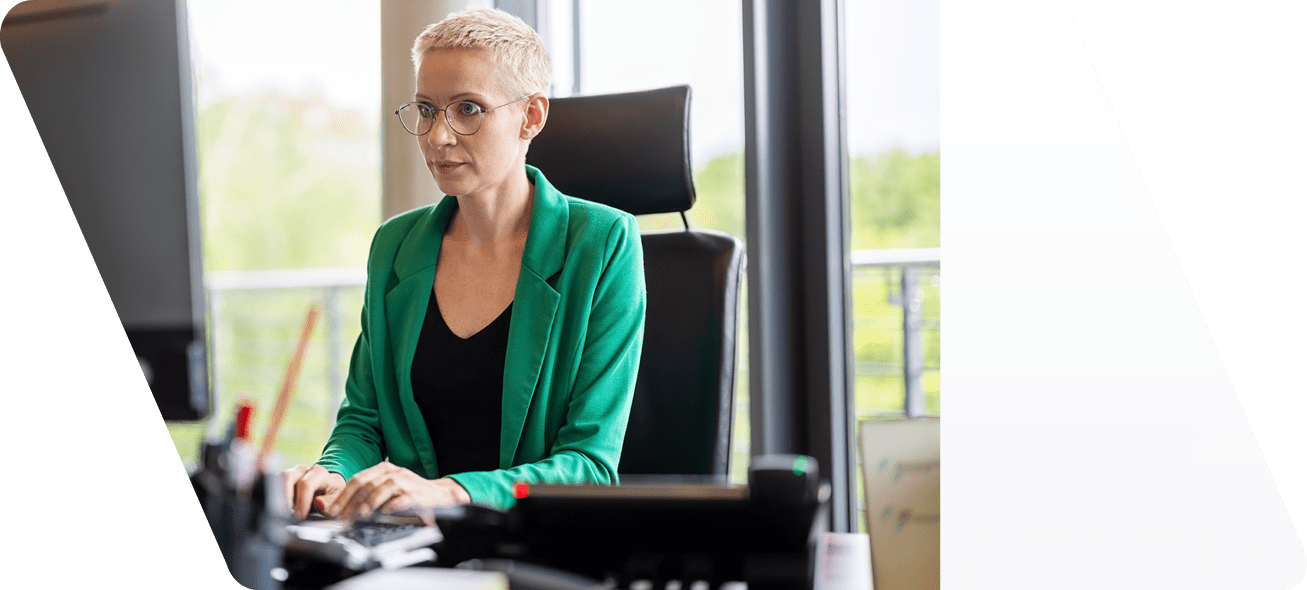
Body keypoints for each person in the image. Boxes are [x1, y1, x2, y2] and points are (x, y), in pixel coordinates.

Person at [282, 8, 645, 518]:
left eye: (468, 109)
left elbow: (589, 465)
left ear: (532, 116)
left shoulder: (603, 243)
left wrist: (450, 492)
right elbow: (364, 422)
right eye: (427, 109)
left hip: (536, 546)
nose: (437, 136)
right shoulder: (395, 245)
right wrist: (332, 472)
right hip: (412, 545)